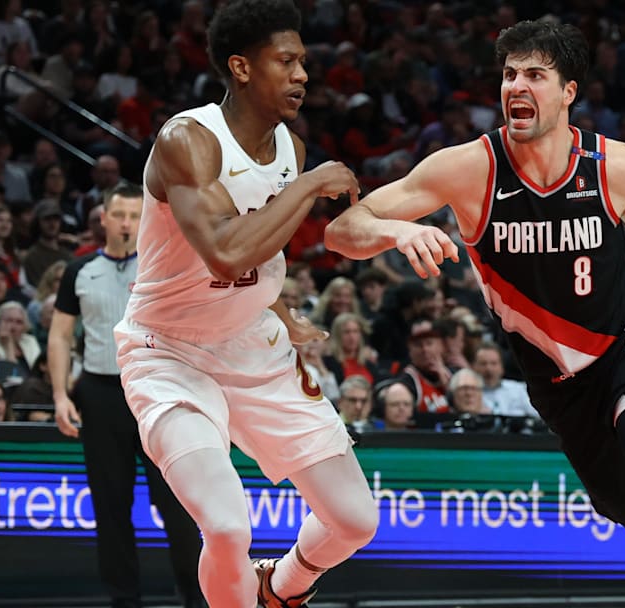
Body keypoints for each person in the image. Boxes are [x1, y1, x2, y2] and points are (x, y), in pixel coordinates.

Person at [326, 20, 625, 608]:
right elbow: (341, 231)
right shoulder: (467, 169)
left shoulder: (612, 165)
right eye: (509, 75)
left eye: (535, 74)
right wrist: (393, 227)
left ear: (568, 92)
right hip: (556, 380)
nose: (516, 86)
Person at [113, 2, 376, 608]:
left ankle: (278, 590)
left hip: (252, 346)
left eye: (304, 62)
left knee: (356, 519)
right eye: (286, 61)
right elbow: (226, 256)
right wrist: (309, 187)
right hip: (169, 353)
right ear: (241, 67)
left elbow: (258, 250)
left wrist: (278, 309)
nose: (303, 75)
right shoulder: (189, 140)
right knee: (230, 527)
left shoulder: (292, 148)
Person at [49, 184, 205, 608]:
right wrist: (61, 395)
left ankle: (196, 595)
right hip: (100, 392)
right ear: (103, 218)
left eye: (135, 216)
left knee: (177, 502)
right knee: (111, 504)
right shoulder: (78, 271)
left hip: (158, 391)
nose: (126, 224)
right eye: (119, 215)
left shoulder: (167, 264)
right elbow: (61, 334)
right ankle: (124, 599)